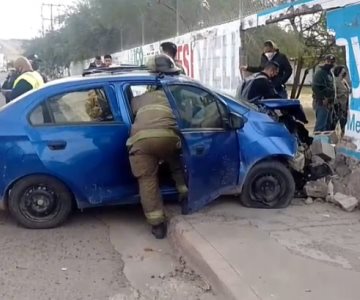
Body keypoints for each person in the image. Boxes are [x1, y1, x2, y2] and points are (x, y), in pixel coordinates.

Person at [126, 54, 187, 239]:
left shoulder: (140, 99)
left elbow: (130, 110)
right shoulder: (175, 96)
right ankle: (185, 195)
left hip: (141, 142)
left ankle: (157, 225)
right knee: (176, 161)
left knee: (147, 181)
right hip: (168, 137)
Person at [312, 54, 336, 132]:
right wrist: (322, 98)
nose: (330, 63)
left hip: (329, 102)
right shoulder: (320, 73)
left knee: (328, 125)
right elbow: (315, 87)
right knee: (320, 126)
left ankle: (326, 143)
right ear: (324, 61)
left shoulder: (330, 73)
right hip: (322, 102)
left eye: (332, 62)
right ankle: (317, 143)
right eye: (328, 61)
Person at [333, 65, 351, 135]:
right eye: (343, 70)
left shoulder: (344, 81)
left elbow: (348, 90)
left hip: (345, 105)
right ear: (339, 71)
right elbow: (334, 94)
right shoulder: (335, 81)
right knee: (334, 123)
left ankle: (342, 137)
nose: (344, 71)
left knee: (344, 124)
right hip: (338, 105)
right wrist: (343, 93)